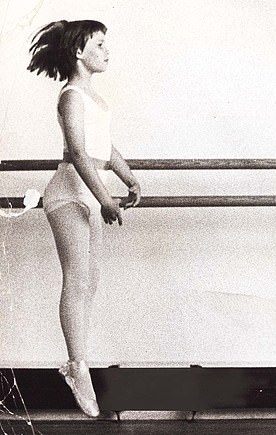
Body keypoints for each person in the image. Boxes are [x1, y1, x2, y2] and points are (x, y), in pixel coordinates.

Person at [28, 20, 141, 417]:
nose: (107, 50)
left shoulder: (95, 99)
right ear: (80, 52)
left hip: (88, 193)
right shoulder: (71, 96)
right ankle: (77, 367)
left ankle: (79, 362)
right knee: (77, 278)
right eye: (100, 44)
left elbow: (104, 148)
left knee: (89, 279)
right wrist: (107, 198)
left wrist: (128, 178)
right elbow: (78, 153)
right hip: (69, 193)